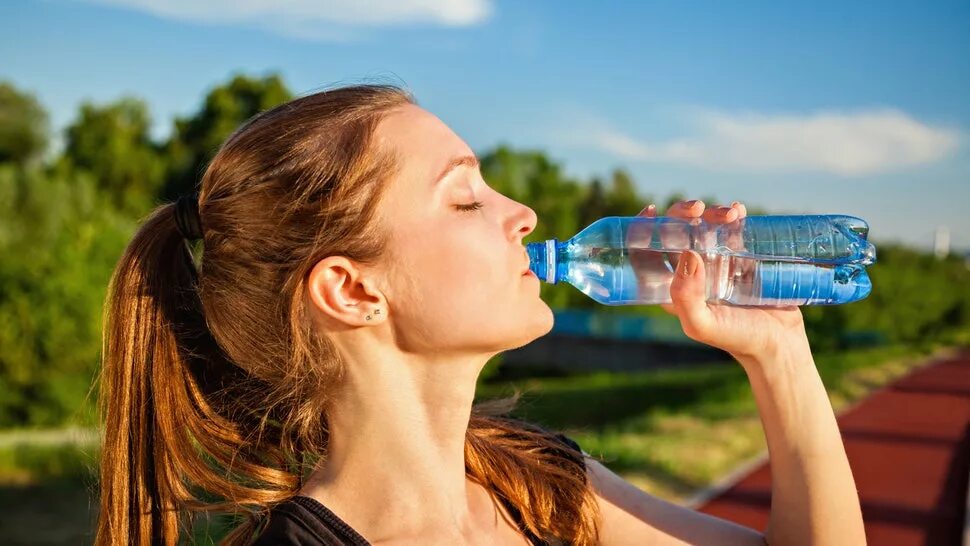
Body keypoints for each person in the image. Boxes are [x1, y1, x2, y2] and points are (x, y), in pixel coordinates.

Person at [95, 84, 866, 546]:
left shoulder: (537, 483)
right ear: (351, 290)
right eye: (465, 198)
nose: (524, 214)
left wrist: (779, 351)